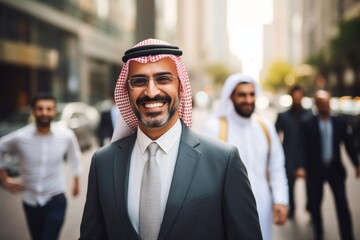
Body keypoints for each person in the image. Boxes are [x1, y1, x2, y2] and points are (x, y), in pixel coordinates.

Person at [79, 39, 262, 240]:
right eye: (139, 81)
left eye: (163, 79)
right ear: (126, 91)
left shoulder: (223, 161)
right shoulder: (103, 162)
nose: (151, 92)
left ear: (181, 87)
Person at [202, 73, 289, 240]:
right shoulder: (215, 128)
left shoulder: (265, 127)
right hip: (228, 208)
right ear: (231, 97)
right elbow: (206, 176)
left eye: (251, 94)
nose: (248, 100)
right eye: (242, 95)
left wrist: (281, 200)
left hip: (263, 205)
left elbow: (276, 167)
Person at [0, 93, 83, 240]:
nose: (44, 112)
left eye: (49, 108)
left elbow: (75, 156)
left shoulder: (66, 135)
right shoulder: (20, 137)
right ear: (33, 111)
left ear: (54, 110)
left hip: (56, 198)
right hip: (30, 201)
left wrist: (76, 181)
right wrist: (4, 179)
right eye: (40, 109)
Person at [301, 90, 360, 240]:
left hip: (335, 170)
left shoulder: (339, 123)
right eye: (321, 104)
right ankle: (318, 234)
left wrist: (356, 164)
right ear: (316, 105)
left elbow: (348, 146)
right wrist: (301, 167)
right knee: (315, 205)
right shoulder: (308, 124)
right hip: (315, 171)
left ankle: (347, 236)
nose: (325, 107)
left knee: (342, 204)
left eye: (327, 103)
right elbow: (302, 148)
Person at [275, 85, 312, 219]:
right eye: (294, 96)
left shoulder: (310, 114)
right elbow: (274, 137)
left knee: (311, 187)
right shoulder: (283, 116)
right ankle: (292, 209)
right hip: (288, 156)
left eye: (299, 96)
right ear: (291, 96)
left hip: (307, 156)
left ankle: (311, 207)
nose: (297, 99)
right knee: (290, 185)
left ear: (302, 96)